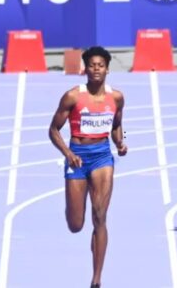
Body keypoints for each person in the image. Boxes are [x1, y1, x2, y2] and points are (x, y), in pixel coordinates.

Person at [48, 46, 127, 288]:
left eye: (100, 65)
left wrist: (120, 142)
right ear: (86, 68)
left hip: (102, 157)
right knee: (76, 224)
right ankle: (74, 212)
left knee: (100, 216)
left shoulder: (116, 97)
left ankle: (96, 279)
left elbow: (116, 125)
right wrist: (68, 153)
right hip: (77, 158)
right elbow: (53, 130)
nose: (96, 69)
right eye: (92, 65)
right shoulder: (72, 96)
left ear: (107, 69)